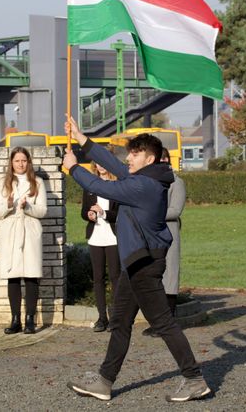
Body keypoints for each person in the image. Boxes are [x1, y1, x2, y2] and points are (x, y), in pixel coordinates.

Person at [63, 116, 211, 403]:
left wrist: (73, 169)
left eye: (135, 153)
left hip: (144, 264)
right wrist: (82, 138)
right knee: (120, 322)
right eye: (129, 152)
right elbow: (112, 163)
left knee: (164, 323)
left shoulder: (145, 187)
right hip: (135, 261)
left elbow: (103, 186)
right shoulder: (143, 177)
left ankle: (194, 379)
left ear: (150, 158)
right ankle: (105, 381)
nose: (128, 157)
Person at [0, 147, 48, 335]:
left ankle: (30, 319)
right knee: (13, 276)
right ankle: (15, 318)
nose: (21, 164)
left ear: (28, 162)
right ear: (11, 163)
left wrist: (28, 206)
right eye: (17, 161)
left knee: (31, 275)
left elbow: (42, 211)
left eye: (24, 160)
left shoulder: (37, 182)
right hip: (11, 232)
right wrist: (9, 205)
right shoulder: (3, 183)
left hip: (30, 231)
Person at [143, 147, 186, 337]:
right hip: (150, 235)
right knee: (154, 278)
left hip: (168, 234)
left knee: (169, 277)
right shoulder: (148, 182)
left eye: (165, 158)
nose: (162, 161)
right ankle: (157, 323)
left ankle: (168, 323)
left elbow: (175, 210)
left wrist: (150, 214)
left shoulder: (177, 182)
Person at [81, 161, 120, 332]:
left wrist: (104, 213)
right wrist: (89, 214)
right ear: (94, 166)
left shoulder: (118, 185)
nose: (101, 166)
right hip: (95, 236)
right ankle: (102, 318)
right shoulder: (90, 186)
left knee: (115, 277)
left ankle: (117, 318)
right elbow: (83, 211)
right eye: (98, 163)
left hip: (113, 237)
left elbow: (120, 213)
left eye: (104, 162)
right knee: (98, 278)